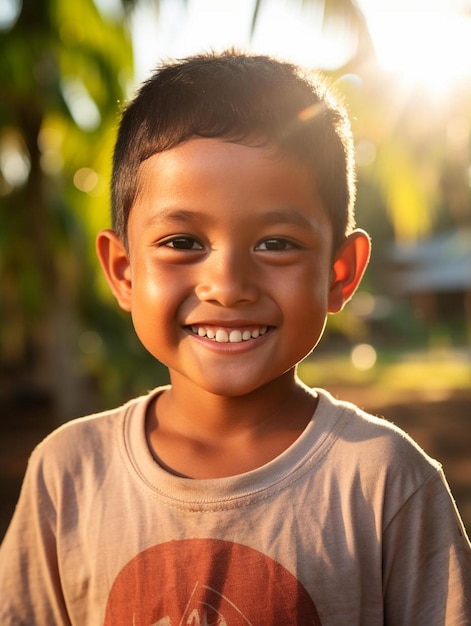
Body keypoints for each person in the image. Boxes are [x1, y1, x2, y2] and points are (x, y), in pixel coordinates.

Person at [0, 50, 470, 625]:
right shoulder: (68, 474)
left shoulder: (385, 482)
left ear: (339, 273)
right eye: (181, 243)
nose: (227, 286)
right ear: (124, 271)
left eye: (276, 243)